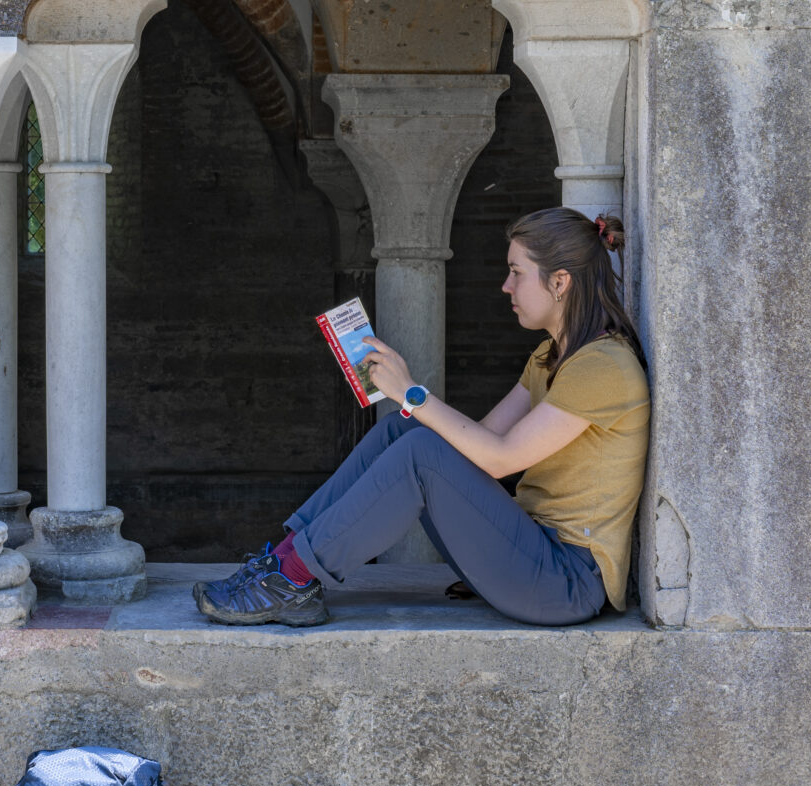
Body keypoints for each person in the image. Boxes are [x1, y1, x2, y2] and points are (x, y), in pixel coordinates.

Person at [194, 207, 649, 629]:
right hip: (529, 552)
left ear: (560, 282)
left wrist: (412, 392)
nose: (505, 286)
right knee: (404, 429)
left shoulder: (603, 366)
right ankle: (283, 560)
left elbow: (499, 459)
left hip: (565, 582)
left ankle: (291, 579)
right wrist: (404, 397)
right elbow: (481, 440)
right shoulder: (553, 356)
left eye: (516, 273)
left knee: (420, 450)